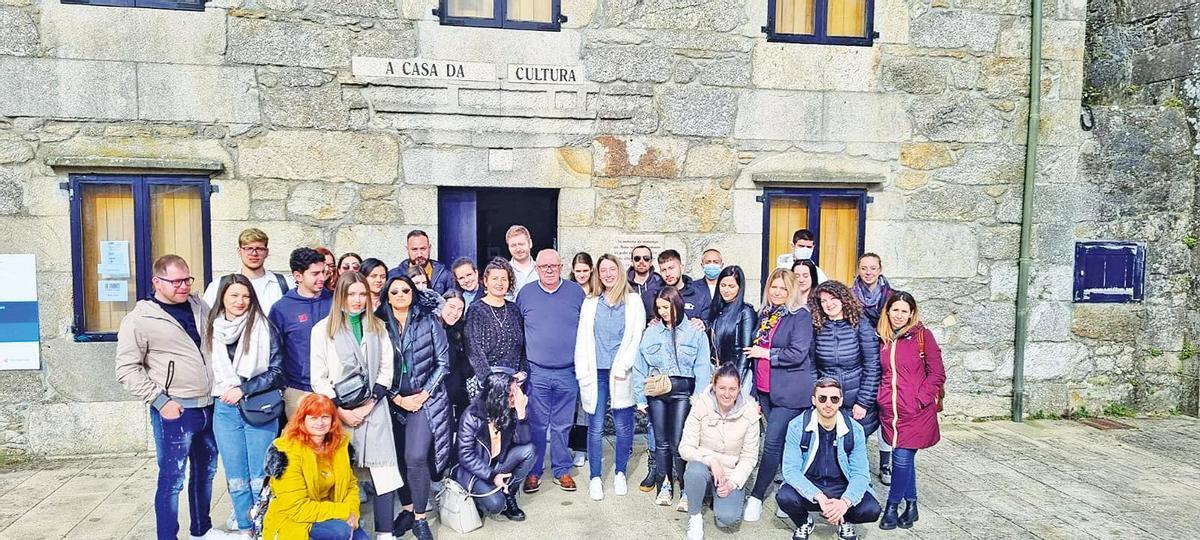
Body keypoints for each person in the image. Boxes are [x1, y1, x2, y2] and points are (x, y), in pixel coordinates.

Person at [115, 255, 234, 540]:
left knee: (205, 474)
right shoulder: (139, 319)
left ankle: (201, 530)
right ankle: (167, 536)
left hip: (209, 405)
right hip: (176, 411)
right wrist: (160, 401)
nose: (184, 286)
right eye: (176, 281)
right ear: (157, 281)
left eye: (187, 279)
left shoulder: (199, 306)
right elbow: (126, 369)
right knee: (172, 480)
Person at [309, 272, 401, 540]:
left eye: (362, 294)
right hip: (337, 413)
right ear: (341, 296)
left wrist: (369, 405)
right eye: (352, 294)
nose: (358, 300)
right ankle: (348, 530)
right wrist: (341, 411)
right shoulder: (323, 330)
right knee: (341, 474)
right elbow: (319, 377)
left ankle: (385, 532)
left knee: (385, 471)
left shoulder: (378, 327)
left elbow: (386, 369)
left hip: (374, 409)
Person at [205, 275, 285, 539]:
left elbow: (276, 371)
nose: (240, 302)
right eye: (234, 296)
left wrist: (242, 389)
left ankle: (264, 525)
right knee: (236, 475)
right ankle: (245, 528)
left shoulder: (264, 326)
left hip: (258, 407)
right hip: (225, 409)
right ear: (223, 299)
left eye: (246, 296)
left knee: (260, 475)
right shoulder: (211, 329)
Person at [380, 275, 451, 540]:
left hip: (424, 400)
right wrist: (397, 397)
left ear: (413, 293)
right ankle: (408, 510)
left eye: (405, 290)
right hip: (392, 401)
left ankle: (420, 517)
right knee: (397, 458)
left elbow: (443, 362)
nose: (400, 295)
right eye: (394, 291)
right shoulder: (378, 324)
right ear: (387, 295)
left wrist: (423, 394)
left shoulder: (427, 320)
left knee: (415, 457)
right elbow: (374, 366)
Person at [742, 268, 816, 522]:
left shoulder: (800, 316)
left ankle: (757, 497)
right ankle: (790, 495)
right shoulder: (766, 314)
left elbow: (798, 353)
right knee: (785, 446)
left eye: (783, 288)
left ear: (792, 290)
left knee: (772, 444)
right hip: (765, 389)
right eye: (774, 287)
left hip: (790, 393)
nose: (777, 292)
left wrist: (766, 354)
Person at [633, 287, 713, 510]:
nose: (662, 312)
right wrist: (639, 397)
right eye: (659, 308)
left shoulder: (695, 331)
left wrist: (699, 397)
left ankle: (686, 488)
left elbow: (702, 367)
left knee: (679, 442)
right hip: (657, 390)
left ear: (676, 304)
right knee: (661, 442)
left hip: (682, 391)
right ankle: (664, 485)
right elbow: (640, 365)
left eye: (666, 307)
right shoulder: (652, 331)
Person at [574, 253, 646, 501]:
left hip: (621, 372)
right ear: (598, 274)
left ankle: (620, 473)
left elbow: (637, 337)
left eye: (611, 269)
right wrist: (582, 370)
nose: (607, 274)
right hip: (596, 372)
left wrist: (625, 365)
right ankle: (595, 477)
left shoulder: (634, 301)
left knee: (623, 425)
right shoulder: (591, 302)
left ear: (619, 271)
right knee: (594, 426)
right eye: (602, 270)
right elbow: (582, 340)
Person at [515, 249, 585, 494]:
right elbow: (518, 332)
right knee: (537, 424)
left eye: (554, 266)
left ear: (561, 266)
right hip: (537, 371)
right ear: (537, 268)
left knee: (563, 424)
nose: (549, 270)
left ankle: (561, 469)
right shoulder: (526, 294)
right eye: (544, 266)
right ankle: (534, 471)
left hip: (568, 371)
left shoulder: (576, 293)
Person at [777, 378, 881, 540]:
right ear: (814, 400)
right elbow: (790, 470)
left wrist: (844, 502)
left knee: (871, 509)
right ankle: (804, 522)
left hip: (842, 486)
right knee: (784, 497)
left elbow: (860, 473)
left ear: (841, 401)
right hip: (811, 483)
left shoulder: (855, 430)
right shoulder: (797, 426)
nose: (828, 404)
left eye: (834, 399)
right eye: (822, 398)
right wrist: (818, 496)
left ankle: (845, 521)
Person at [877, 291, 944, 531]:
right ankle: (912, 505)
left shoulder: (922, 337)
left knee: (901, 459)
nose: (899, 315)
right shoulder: (883, 338)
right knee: (904, 461)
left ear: (911, 314)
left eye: (904, 311)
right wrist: (881, 398)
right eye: (895, 310)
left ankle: (892, 506)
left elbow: (937, 373)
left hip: (915, 411)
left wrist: (920, 399)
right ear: (888, 311)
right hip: (890, 412)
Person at [262, 393, 368, 540]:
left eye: (325, 417)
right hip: (294, 519)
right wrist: (343, 511)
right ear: (302, 420)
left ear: (332, 421)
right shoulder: (287, 451)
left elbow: (350, 485)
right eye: (313, 418)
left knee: (362, 538)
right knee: (340, 532)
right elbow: (297, 508)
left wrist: (353, 511)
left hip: (328, 511)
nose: (320, 423)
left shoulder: (341, 445)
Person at [678, 363, 761, 540]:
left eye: (732, 389)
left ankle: (717, 495)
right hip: (703, 467)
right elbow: (685, 447)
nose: (727, 394)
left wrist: (733, 483)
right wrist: (711, 461)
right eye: (722, 388)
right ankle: (695, 517)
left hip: (731, 472)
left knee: (727, 519)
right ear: (714, 386)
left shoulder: (750, 414)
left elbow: (749, 457)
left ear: (739, 389)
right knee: (695, 471)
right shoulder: (700, 406)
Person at [810, 281, 881, 460]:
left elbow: (872, 365)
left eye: (833, 298)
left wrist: (863, 402)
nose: (829, 304)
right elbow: (812, 365)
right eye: (823, 300)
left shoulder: (860, 324)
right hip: (828, 400)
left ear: (844, 299)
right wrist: (818, 398)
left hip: (856, 398)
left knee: (855, 450)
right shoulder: (817, 327)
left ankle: (859, 484)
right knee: (830, 451)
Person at [454, 369, 535, 521]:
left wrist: (521, 414)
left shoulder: (509, 411)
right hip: (475, 471)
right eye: (512, 395)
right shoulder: (472, 416)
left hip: (497, 463)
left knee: (529, 451)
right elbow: (466, 457)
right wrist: (492, 476)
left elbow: (523, 441)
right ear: (499, 397)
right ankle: (482, 499)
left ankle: (508, 492)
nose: (516, 398)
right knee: (497, 504)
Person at [268, 248, 334, 417]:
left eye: (324, 272)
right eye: (315, 273)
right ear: (298, 276)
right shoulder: (281, 309)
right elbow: (274, 351)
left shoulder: (336, 301)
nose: (322, 278)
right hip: (298, 391)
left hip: (334, 390)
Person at [848, 253, 895, 483]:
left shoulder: (891, 297)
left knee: (885, 409)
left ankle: (886, 461)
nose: (868, 272)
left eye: (873, 268)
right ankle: (860, 459)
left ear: (880, 269)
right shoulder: (850, 296)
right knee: (864, 409)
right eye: (864, 268)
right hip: (863, 356)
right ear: (858, 270)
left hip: (887, 357)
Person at [464, 258, 528, 397]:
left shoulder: (514, 310)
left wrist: (522, 373)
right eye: (495, 278)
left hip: (513, 384)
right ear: (486, 281)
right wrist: (491, 382)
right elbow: (473, 350)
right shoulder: (476, 310)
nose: (500, 283)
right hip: (487, 385)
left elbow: (523, 345)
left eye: (504, 279)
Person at [202, 227, 289, 312]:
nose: (254, 253)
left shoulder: (284, 284)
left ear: (266, 252)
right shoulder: (219, 285)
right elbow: (206, 319)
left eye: (259, 249)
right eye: (248, 248)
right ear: (239, 251)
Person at [705, 266, 757, 395]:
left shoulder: (745, 312)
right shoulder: (717, 309)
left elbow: (746, 352)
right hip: (717, 372)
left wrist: (736, 381)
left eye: (731, 286)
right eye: (723, 285)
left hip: (736, 375)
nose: (726, 290)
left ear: (740, 288)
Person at [439, 289, 472, 422]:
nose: (455, 313)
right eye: (451, 307)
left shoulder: (460, 330)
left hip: (455, 392)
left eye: (460, 309)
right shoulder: (431, 327)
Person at [389, 230, 455, 294]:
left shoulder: (445, 276)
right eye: (414, 249)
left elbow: (454, 300)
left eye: (423, 249)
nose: (419, 254)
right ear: (407, 249)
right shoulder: (394, 275)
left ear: (429, 248)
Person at [657, 249, 710, 324]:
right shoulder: (656, 294)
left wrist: (703, 324)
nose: (667, 273)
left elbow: (709, 322)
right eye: (663, 270)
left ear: (681, 267)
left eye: (671, 268)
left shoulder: (699, 294)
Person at [626, 244, 664, 316]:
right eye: (637, 258)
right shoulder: (623, 284)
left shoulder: (660, 283)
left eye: (646, 258)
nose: (641, 261)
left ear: (651, 262)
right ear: (632, 262)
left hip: (654, 326)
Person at [506, 225, 539, 294]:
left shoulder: (542, 269)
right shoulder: (504, 271)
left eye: (521, 244)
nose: (518, 249)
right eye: (513, 245)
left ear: (530, 243)